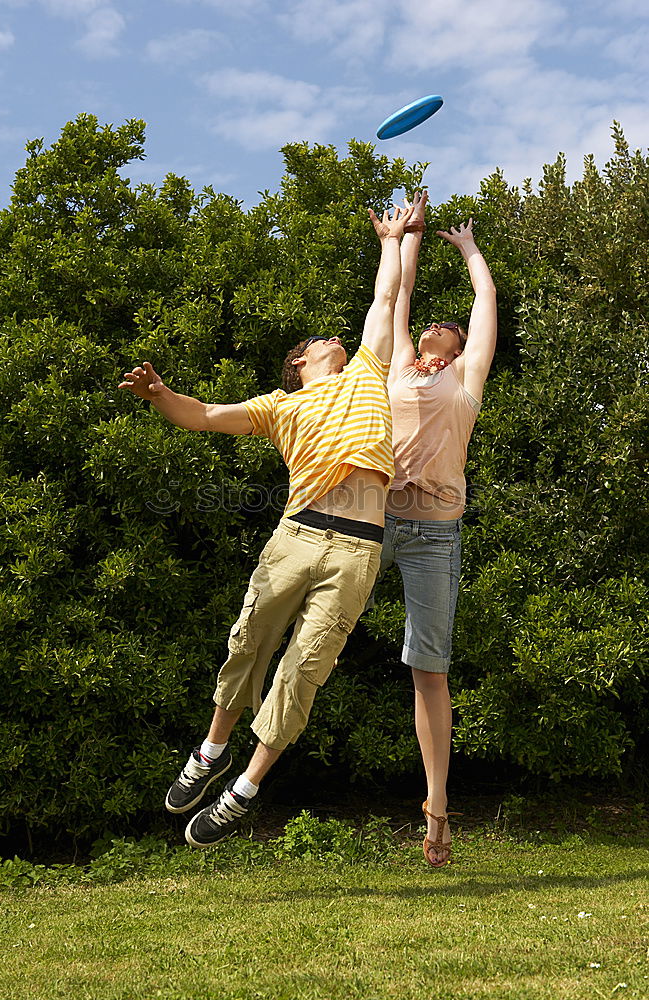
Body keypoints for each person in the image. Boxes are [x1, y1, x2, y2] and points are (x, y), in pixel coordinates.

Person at [119, 201, 415, 848]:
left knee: (306, 666)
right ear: (301, 362)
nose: (331, 338)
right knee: (250, 638)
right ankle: (210, 751)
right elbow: (202, 415)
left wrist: (391, 239)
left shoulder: (368, 368)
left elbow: (386, 294)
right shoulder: (280, 406)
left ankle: (244, 789)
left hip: (358, 548)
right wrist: (160, 395)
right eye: (317, 342)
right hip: (300, 534)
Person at [380, 190, 497, 867]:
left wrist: (470, 250)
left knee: (429, 669)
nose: (430, 331)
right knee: (313, 632)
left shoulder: (467, 379)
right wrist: (411, 234)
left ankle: (436, 810)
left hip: (434, 535)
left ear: (454, 349)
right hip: (373, 517)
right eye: (428, 329)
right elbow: (395, 297)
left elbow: (484, 311)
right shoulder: (396, 366)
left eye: (443, 333)